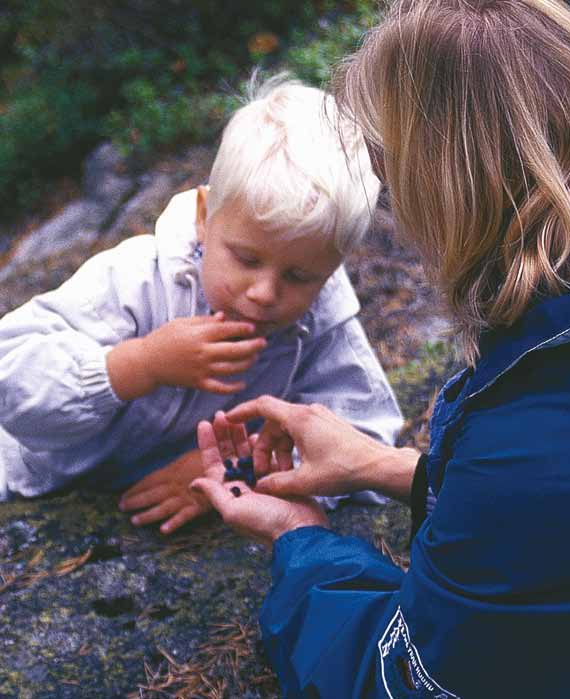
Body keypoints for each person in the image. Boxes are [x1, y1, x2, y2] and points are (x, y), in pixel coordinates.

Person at [189, 1, 570, 697]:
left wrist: (300, 540)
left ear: (445, 186)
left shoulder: (532, 439)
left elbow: (409, 679)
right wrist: (391, 467)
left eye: (389, 172)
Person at [0, 76, 403, 534]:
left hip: (155, 518)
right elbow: (11, 373)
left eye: (299, 276)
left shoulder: (321, 320)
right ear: (205, 217)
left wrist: (238, 465)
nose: (264, 293)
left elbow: (365, 432)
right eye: (246, 259)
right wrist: (139, 364)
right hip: (35, 479)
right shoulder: (139, 278)